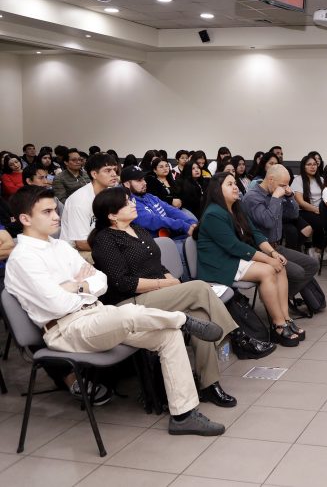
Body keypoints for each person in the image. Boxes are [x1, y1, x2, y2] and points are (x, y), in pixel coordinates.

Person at [4, 186, 226, 436]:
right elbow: (57, 304)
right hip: (66, 330)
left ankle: (183, 415)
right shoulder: (23, 259)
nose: (56, 216)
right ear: (25, 219)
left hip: (95, 315)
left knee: (168, 335)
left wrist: (75, 286)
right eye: (47, 212)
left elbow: (102, 281)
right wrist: (83, 286)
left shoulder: (61, 247)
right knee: (129, 313)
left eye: (55, 209)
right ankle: (183, 319)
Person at [89, 189, 273, 406]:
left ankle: (209, 385)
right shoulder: (105, 240)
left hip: (159, 295)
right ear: (111, 214)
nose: (133, 204)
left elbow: (158, 266)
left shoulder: (138, 229)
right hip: (129, 304)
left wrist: (169, 281)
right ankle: (239, 336)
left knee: (200, 317)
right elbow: (123, 283)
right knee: (199, 287)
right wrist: (167, 284)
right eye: (126, 202)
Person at [196, 173, 304, 347]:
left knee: (280, 266)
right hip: (219, 264)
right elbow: (235, 247)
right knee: (269, 270)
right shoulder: (213, 214)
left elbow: (255, 233)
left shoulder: (237, 207)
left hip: (235, 258)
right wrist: (269, 261)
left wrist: (272, 253)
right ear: (217, 190)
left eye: (235, 183)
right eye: (229, 184)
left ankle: (286, 318)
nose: (235, 187)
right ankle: (278, 326)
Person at [242, 164, 319, 299]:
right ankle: (273, 299)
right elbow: (268, 222)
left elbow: (294, 214)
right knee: (298, 272)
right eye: (283, 185)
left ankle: (280, 298)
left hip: (277, 247)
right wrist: (276, 198)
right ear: (271, 179)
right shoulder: (252, 197)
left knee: (312, 264)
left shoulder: (277, 192)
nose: (285, 188)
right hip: (262, 251)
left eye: (286, 185)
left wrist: (289, 197)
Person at [60, 153, 120, 255]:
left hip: (102, 242)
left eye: (114, 169)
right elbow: (81, 243)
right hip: (76, 252)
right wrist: (116, 247)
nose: (114, 174)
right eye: (108, 170)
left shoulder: (110, 192)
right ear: (94, 174)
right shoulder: (79, 201)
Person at [292, 155, 326, 260]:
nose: (312, 167)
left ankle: (317, 249)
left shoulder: (321, 179)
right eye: (309, 164)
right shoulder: (298, 180)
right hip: (303, 210)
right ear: (304, 167)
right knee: (320, 223)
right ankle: (312, 249)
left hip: (319, 211)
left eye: (314, 164)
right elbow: (300, 202)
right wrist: (316, 210)